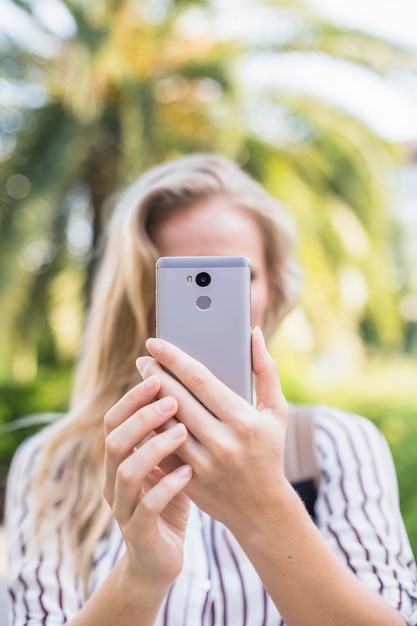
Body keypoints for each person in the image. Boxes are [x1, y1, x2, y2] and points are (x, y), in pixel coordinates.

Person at [6, 153, 417, 626]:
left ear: (274, 293)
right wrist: (141, 576)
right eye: (178, 278)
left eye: (237, 276)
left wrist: (264, 507)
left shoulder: (338, 445)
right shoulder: (51, 467)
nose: (210, 299)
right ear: (138, 296)